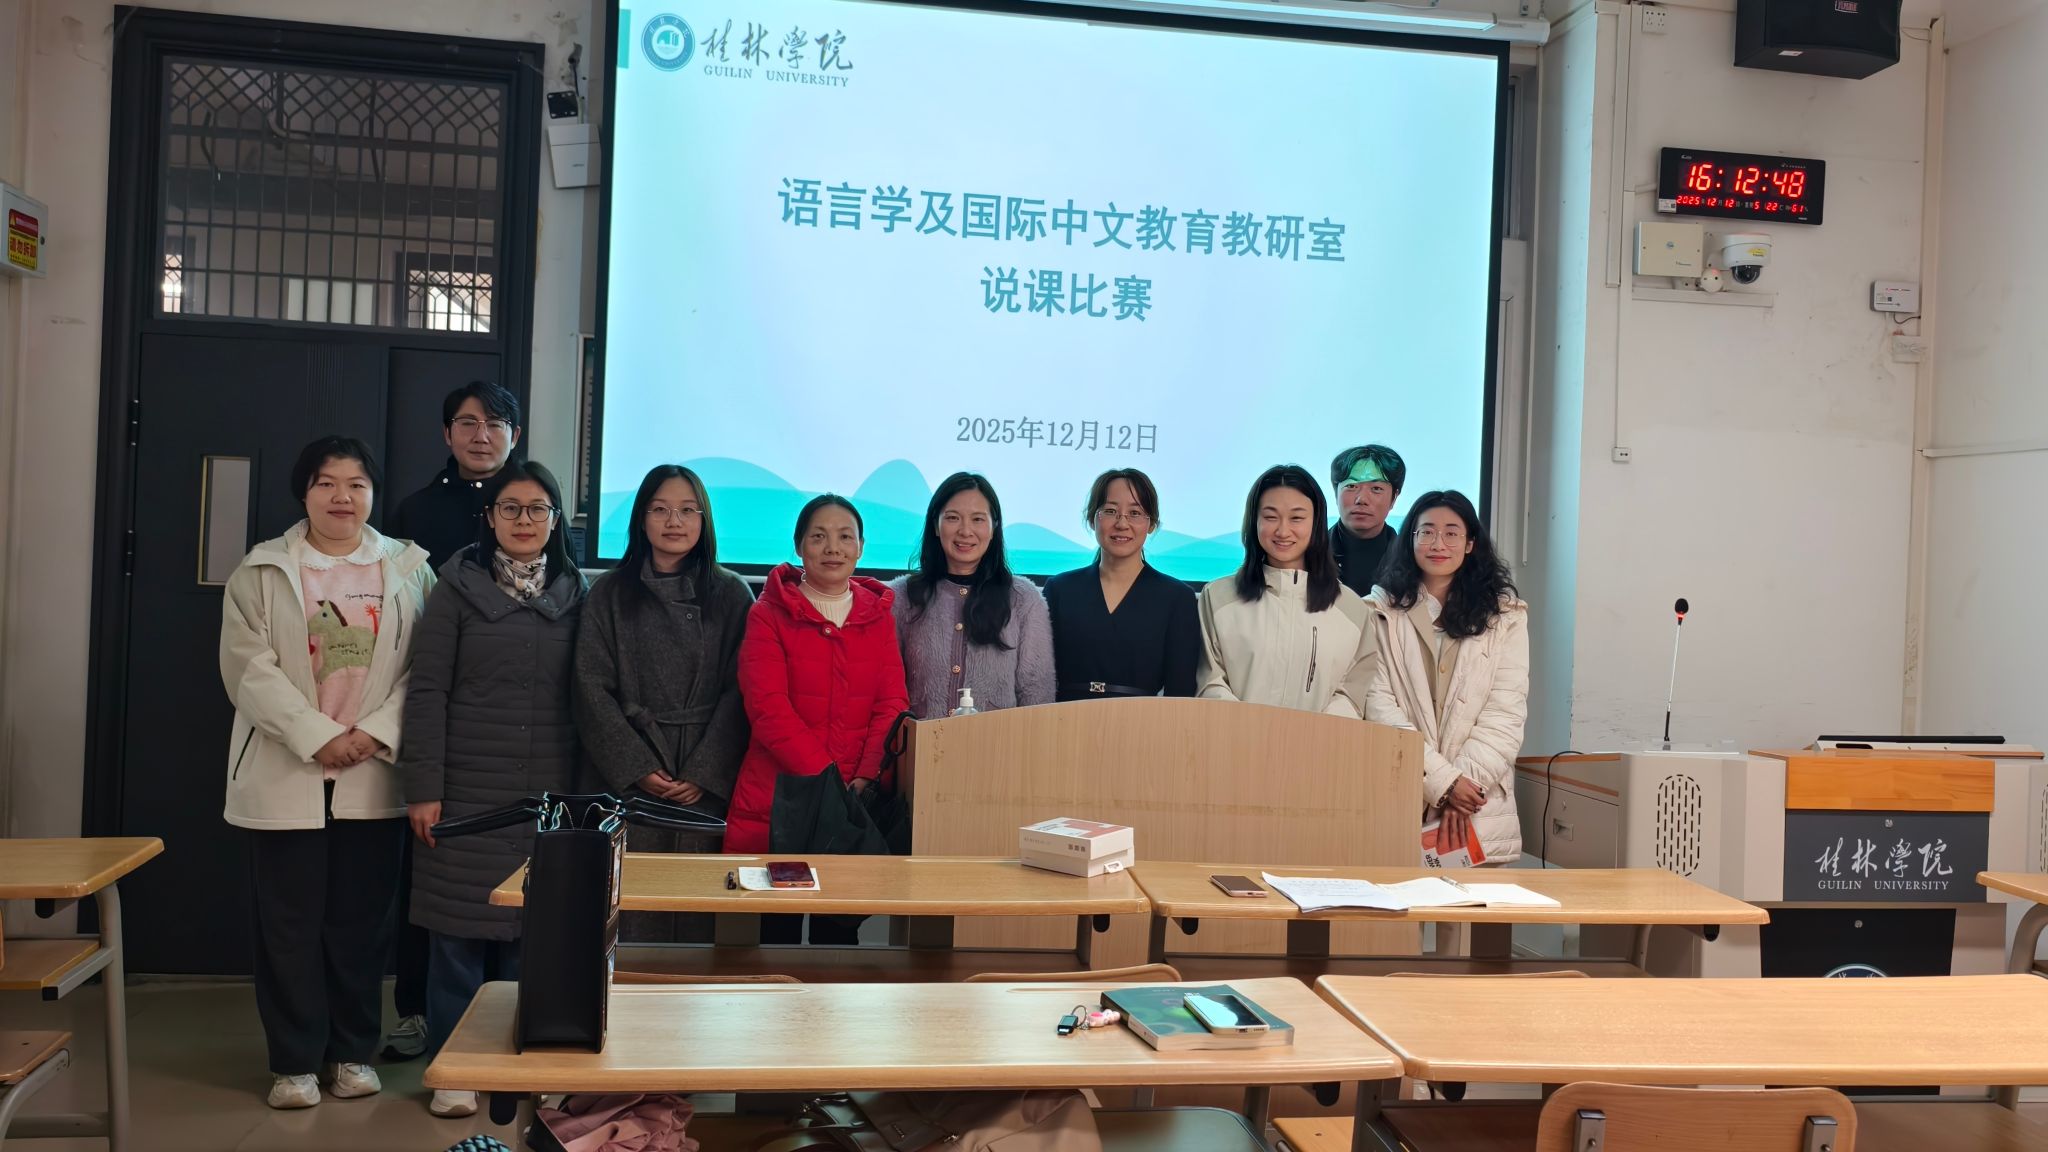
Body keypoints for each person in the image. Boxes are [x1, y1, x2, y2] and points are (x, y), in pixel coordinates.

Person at [219, 436, 433, 1110]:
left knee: (360, 929)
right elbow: (247, 669)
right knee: (287, 929)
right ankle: (293, 1064)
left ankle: (351, 1054)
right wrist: (317, 738)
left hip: (372, 772)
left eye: (356, 484)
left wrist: (373, 733)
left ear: (373, 493)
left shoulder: (408, 568)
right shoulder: (262, 570)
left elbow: (425, 669)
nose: (342, 497)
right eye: (326, 483)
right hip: (286, 773)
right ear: (304, 492)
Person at [399, 461, 584, 1118]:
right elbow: (427, 691)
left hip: (548, 795)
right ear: (490, 518)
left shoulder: (578, 594)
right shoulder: (456, 588)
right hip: (465, 793)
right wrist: (423, 788)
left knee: (529, 938)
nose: (524, 521)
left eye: (537, 509)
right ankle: (455, 1068)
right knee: (456, 936)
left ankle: (517, 1064)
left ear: (555, 520)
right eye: (511, 508)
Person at [380, 379, 521, 1059]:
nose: (480, 434)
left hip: (514, 725)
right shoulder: (415, 511)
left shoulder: (535, 504)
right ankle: (418, 1011)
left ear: (515, 436)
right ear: (447, 434)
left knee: (511, 883)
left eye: (495, 423)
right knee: (432, 873)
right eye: (467, 422)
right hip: (436, 707)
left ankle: (502, 1019)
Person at [573, 464, 752, 944]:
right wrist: (637, 767)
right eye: (660, 509)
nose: (675, 521)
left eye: (688, 510)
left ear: (704, 520)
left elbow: (742, 691)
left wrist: (703, 771)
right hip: (628, 778)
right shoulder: (609, 593)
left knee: (698, 915)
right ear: (641, 518)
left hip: (703, 780)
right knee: (627, 914)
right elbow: (590, 688)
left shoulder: (732, 594)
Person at [729, 495, 908, 945]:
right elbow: (767, 709)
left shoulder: (878, 617)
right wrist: (827, 779)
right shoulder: (768, 614)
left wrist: (865, 775)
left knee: (838, 942)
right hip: (779, 800)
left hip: (854, 800)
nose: (833, 548)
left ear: (860, 548)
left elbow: (891, 703)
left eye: (845, 537)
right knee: (774, 939)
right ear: (799, 546)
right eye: (819, 536)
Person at [1362, 491, 1529, 865]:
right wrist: (1444, 783)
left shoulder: (1506, 617)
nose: (1438, 543)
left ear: (1470, 544)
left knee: (1474, 903)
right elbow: (1378, 707)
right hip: (1400, 795)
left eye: (1452, 533)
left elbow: (1506, 712)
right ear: (1411, 540)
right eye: (1427, 532)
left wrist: (1464, 788)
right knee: (1394, 899)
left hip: (1476, 807)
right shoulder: (1377, 613)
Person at [1197, 464, 1376, 715]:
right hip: (1234, 737)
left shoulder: (1351, 608)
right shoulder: (1218, 597)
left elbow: (1351, 693)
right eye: (1270, 517)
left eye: (1296, 518)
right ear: (1254, 521)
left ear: (1316, 523)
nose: (1282, 531)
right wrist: (1247, 730)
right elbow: (1210, 682)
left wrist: (1312, 734)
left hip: (1320, 740)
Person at [888, 472, 1053, 719]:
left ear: (994, 527)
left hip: (999, 743)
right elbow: (887, 693)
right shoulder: (901, 597)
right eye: (953, 518)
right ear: (935, 525)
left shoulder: (1024, 600)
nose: (965, 531)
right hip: (920, 743)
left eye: (978, 519)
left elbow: (1037, 694)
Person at [1043, 468, 1200, 701]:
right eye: (1110, 511)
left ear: (1151, 524)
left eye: (1135, 513)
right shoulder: (1059, 589)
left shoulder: (1177, 598)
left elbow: (1181, 691)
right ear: (1092, 519)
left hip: (1141, 720)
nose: (1122, 523)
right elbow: (1038, 676)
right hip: (1064, 717)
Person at [1329, 444, 1406, 598]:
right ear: (1336, 493)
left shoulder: (1410, 560)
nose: (1361, 499)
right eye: (1351, 486)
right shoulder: (1307, 555)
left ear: (1394, 498)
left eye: (1376, 488)